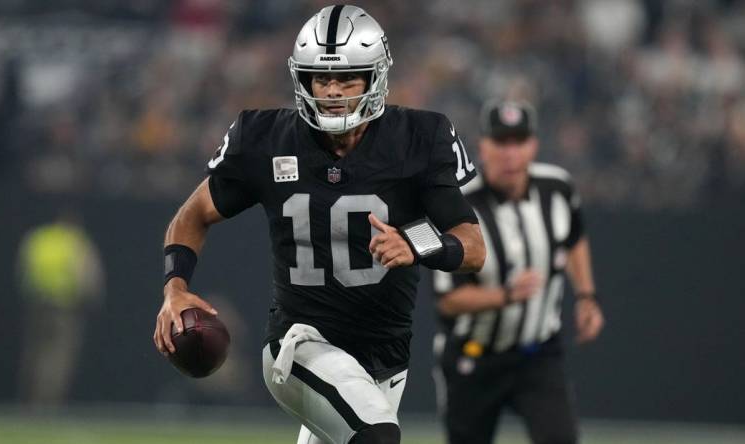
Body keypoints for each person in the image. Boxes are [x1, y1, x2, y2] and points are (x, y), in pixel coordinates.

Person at [152, 5, 485, 444]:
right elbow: (192, 215)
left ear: (375, 77)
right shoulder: (266, 138)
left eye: (347, 78)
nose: (332, 91)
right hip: (299, 345)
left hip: (385, 359)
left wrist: (416, 242)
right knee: (377, 436)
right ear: (301, 79)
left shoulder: (419, 139)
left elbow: (472, 245)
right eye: (320, 78)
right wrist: (175, 287)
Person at [432, 101, 605, 444]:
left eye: (519, 141)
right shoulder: (461, 205)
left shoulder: (557, 189)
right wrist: (506, 295)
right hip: (474, 355)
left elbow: (575, 239)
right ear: (482, 147)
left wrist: (586, 296)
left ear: (533, 145)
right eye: (501, 142)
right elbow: (448, 301)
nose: (511, 153)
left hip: (537, 352)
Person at [17, 210, 105, 407]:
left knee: (35, 354)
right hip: (64, 308)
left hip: (38, 305)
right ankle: (49, 402)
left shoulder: (39, 238)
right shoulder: (75, 242)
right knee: (59, 357)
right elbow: (87, 275)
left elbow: (23, 270)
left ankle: (30, 399)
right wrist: (91, 298)